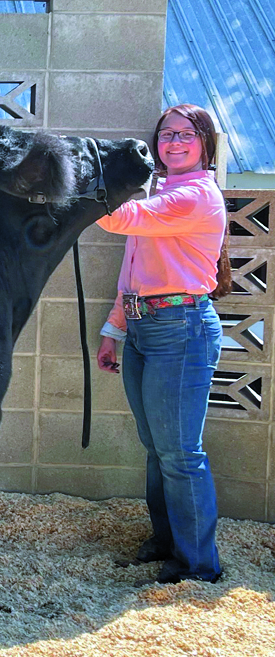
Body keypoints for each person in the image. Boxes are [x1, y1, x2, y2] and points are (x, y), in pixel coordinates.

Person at [96, 103, 230, 584]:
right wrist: (115, 330)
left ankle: (198, 565)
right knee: (158, 447)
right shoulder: (165, 192)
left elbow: (119, 219)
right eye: (166, 133)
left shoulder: (195, 195)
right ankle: (168, 542)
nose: (174, 141)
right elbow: (134, 272)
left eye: (185, 134)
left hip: (181, 329)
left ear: (205, 143)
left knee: (180, 452)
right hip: (145, 328)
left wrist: (78, 182)